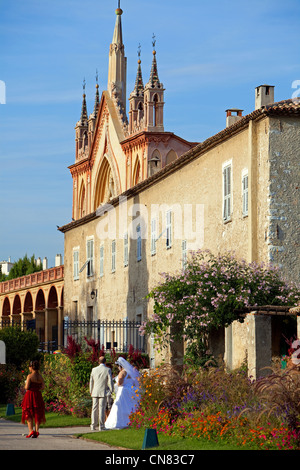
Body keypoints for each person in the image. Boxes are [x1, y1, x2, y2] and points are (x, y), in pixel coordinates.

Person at [105, 356, 140, 430]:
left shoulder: (123, 372)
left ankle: (119, 422)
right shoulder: (130, 373)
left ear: (120, 366)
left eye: (118, 366)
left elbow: (120, 382)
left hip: (123, 391)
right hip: (130, 391)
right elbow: (134, 382)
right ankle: (131, 421)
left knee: (120, 407)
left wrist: (116, 384)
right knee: (129, 406)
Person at [21, 360, 45, 438]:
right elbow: (43, 387)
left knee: (28, 412)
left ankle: (31, 430)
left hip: (30, 395)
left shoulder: (30, 376)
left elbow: (27, 387)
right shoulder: (40, 377)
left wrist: (25, 385)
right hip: (38, 395)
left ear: (31, 367)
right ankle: (37, 431)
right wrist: (37, 387)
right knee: (37, 412)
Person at [89, 355, 114, 431]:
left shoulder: (94, 369)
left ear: (98, 362)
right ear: (105, 362)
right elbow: (110, 381)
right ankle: (101, 426)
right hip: (103, 391)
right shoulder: (107, 369)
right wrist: (112, 390)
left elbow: (91, 381)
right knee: (101, 409)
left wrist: (91, 390)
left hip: (95, 391)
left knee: (94, 409)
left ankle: (93, 425)